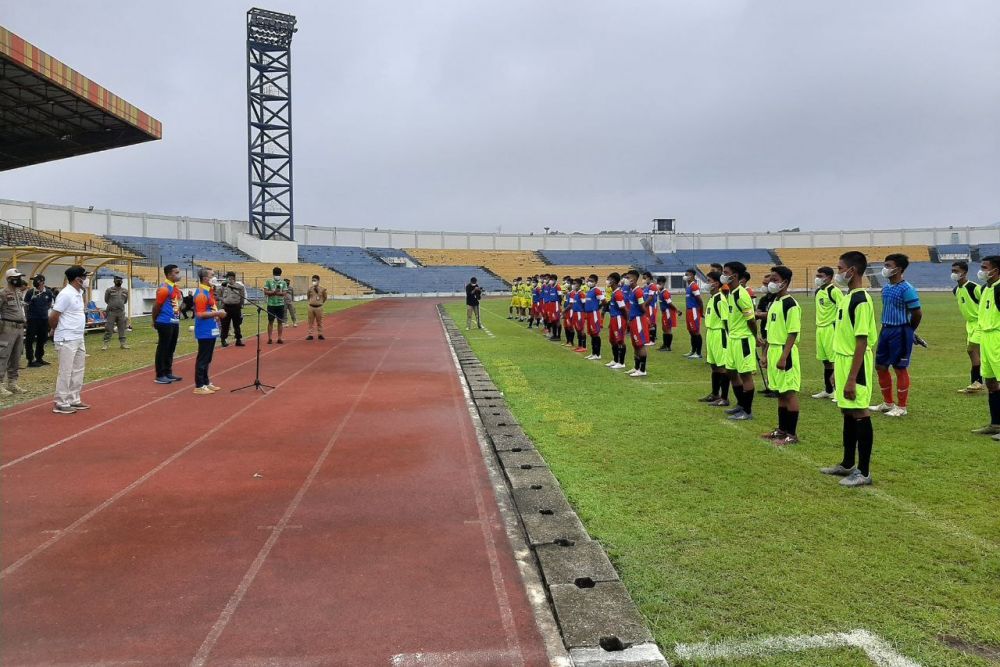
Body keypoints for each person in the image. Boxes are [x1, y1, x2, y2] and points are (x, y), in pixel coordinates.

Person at [821, 251, 877, 487]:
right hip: (844, 361)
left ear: (852, 271)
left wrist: (852, 378)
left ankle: (863, 471)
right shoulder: (847, 297)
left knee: (860, 411)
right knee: (847, 411)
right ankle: (846, 464)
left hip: (857, 364)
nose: (838, 272)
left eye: (840, 268)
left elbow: (861, 341)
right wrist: (837, 370)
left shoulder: (861, 300)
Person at [871, 253, 922, 417]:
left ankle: (901, 407)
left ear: (898, 269)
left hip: (899, 330)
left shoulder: (907, 289)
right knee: (880, 366)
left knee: (899, 368)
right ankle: (887, 403)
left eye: (888, 265)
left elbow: (917, 313)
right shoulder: (885, 288)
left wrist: (909, 331)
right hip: (885, 329)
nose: (885, 269)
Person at [760, 266, 802, 445]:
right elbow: (770, 331)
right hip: (774, 350)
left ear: (784, 282)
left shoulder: (790, 304)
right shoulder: (775, 302)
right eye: (771, 279)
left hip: (786, 351)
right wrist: (765, 354)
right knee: (779, 393)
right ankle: (781, 430)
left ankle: (791, 435)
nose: (771, 283)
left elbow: (792, 333)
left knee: (789, 393)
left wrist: (784, 357)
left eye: (775, 279)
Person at [50, 265, 91, 414]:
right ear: (77, 279)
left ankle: (74, 398)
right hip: (67, 337)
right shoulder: (66, 294)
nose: (87, 280)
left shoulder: (78, 293)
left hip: (78, 336)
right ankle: (61, 401)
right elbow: (54, 315)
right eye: (85, 277)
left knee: (78, 369)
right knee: (66, 371)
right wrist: (55, 329)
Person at [722, 261, 758, 420]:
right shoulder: (730, 292)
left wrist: (755, 337)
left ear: (734, 276)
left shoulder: (742, 295)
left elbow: (751, 320)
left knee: (745, 375)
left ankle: (747, 411)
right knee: (731, 371)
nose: (723, 275)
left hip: (743, 339)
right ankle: (740, 404)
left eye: (725, 272)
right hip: (733, 339)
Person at [971, 256, 1000, 439]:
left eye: (985, 267)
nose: (981, 270)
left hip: (998, 337)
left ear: (996, 270)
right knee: (990, 382)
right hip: (987, 338)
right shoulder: (984, 288)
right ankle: (996, 424)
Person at [192, 268, 226, 395]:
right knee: (203, 357)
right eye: (212, 275)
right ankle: (199, 385)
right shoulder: (201, 294)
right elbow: (200, 314)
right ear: (205, 278)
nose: (215, 277)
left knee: (208, 358)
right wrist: (218, 313)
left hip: (211, 328)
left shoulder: (209, 291)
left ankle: (205, 382)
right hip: (204, 330)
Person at [952, 261, 984, 393]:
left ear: (964, 272)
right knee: (976, 352)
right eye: (952, 271)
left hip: (980, 323)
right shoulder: (956, 290)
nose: (953, 274)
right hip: (970, 324)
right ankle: (976, 382)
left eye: (956, 271)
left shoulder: (974, 287)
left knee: (972, 350)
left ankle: (978, 382)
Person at [700, 271, 731, 407]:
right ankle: (714, 394)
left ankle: (724, 398)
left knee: (722, 366)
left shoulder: (720, 299)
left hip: (720, 334)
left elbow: (726, 320)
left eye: (709, 281)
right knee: (713, 365)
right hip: (711, 333)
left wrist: (728, 337)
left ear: (716, 283)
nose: (707, 284)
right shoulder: (713, 298)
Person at [812, 266, 843, 399]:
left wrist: (838, 329)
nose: (817, 278)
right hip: (820, 329)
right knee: (825, 361)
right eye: (817, 276)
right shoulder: (818, 292)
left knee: (835, 360)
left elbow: (842, 310)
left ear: (829, 278)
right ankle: (828, 390)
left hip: (831, 329)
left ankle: (838, 391)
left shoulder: (835, 292)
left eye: (820, 276)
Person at [152, 264, 184, 384]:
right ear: (169, 274)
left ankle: (168, 372)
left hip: (174, 321)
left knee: (171, 348)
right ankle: (160, 374)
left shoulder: (175, 288)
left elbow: (176, 303)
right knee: (163, 348)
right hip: (164, 321)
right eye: (176, 273)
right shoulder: (164, 288)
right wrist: (154, 320)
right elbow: (156, 306)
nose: (178, 275)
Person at [0, 268, 28, 397]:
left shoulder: (18, 293)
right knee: (3, 356)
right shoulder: (3, 293)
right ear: (9, 279)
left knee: (16, 356)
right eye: (17, 277)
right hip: (7, 327)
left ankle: (12, 383)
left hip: (19, 328)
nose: (20, 279)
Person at [754, 274, 779, 398]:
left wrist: (760, 314)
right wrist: (761, 314)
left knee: (773, 361)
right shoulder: (764, 299)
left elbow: (771, 314)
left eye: (766, 284)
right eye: (763, 283)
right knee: (766, 362)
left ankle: (776, 387)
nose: (764, 286)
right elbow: (758, 313)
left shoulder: (777, 298)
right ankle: (770, 385)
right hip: (764, 332)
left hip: (774, 334)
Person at [24, 274, 55, 368]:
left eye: (36, 280)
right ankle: (30, 360)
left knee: (42, 339)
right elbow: (25, 305)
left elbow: (49, 304)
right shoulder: (30, 292)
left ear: (42, 281)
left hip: (44, 319)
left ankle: (39, 358)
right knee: (30, 340)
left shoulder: (48, 292)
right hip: (32, 319)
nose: (35, 282)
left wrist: (44, 311)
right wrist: (26, 317)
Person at [624, 269, 650, 377]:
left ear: (634, 279)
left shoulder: (638, 292)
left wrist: (644, 317)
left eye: (628, 277)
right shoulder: (632, 291)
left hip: (639, 320)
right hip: (633, 320)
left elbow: (642, 307)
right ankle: (636, 367)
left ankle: (642, 370)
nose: (626, 280)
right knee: (635, 344)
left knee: (640, 344)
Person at [606, 272, 628, 369]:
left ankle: (621, 362)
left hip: (619, 318)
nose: (607, 281)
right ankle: (615, 360)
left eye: (609, 279)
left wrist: (627, 321)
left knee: (619, 340)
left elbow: (623, 308)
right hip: (613, 318)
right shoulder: (614, 292)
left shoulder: (618, 293)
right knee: (612, 340)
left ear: (614, 280)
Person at [218, 271, 247, 347]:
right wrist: (223, 300)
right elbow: (218, 296)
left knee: (237, 324)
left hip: (236, 307)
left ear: (234, 278)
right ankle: (223, 340)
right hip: (226, 307)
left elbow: (242, 297)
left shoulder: (240, 287)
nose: (229, 280)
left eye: (231, 278)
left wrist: (241, 305)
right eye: (228, 278)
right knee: (225, 325)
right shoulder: (223, 287)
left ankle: (238, 339)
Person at [102, 275, 130, 351]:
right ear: (114, 281)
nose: (119, 282)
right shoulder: (109, 290)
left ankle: (123, 344)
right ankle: (106, 344)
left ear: (122, 282)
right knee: (109, 328)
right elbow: (106, 300)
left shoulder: (125, 291)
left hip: (121, 312)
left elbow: (125, 301)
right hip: (111, 312)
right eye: (117, 280)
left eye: (120, 280)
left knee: (122, 328)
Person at [683, 269, 704, 359]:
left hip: (694, 311)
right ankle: (693, 351)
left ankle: (698, 353)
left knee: (696, 331)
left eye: (687, 274)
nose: (685, 276)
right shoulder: (689, 286)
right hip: (689, 311)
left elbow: (700, 300)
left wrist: (701, 312)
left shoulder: (694, 286)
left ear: (692, 275)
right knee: (691, 331)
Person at [583, 274, 604, 360]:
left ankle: (598, 354)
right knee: (591, 334)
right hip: (589, 314)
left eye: (591, 281)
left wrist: (597, 308)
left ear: (595, 282)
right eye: (588, 280)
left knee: (595, 334)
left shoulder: (597, 291)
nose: (589, 282)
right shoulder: (589, 291)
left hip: (594, 314)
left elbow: (604, 301)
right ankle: (593, 353)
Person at [264, 267, 288, 344]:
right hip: (271, 304)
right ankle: (270, 338)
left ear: (280, 274)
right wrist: (274, 292)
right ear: (273, 274)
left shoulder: (283, 282)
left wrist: (276, 293)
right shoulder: (269, 281)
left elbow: (284, 293)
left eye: (278, 274)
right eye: (276, 274)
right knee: (270, 321)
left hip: (280, 304)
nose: (277, 276)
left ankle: (279, 338)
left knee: (280, 321)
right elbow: (265, 292)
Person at [656, 276, 677, 352]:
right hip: (664, 312)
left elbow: (670, 303)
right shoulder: (660, 292)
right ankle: (665, 345)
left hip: (668, 312)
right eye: (657, 283)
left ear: (663, 283)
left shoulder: (665, 293)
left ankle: (668, 347)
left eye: (660, 283)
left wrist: (677, 310)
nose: (658, 285)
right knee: (664, 329)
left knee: (667, 329)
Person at [306, 274, 328, 340]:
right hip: (311, 307)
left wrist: (320, 303)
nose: (313, 282)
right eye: (312, 280)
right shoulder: (310, 289)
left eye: (315, 280)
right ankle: (310, 335)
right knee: (310, 322)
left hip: (319, 307)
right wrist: (312, 302)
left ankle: (320, 334)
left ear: (318, 281)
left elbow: (325, 297)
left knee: (319, 322)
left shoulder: (322, 289)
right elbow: (308, 297)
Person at [642, 271, 659, 346]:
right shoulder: (646, 287)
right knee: (648, 322)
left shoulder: (652, 286)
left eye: (644, 278)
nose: (643, 279)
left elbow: (651, 297)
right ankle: (649, 338)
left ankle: (652, 340)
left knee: (651, 322)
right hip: (647, 307)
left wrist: (644, 305)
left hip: (651, 307)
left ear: (649, 278)